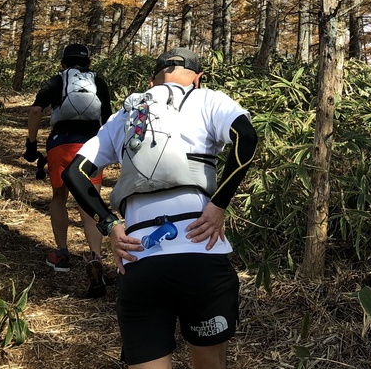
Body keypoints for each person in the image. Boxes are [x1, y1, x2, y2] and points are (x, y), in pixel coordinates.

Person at [62, 47, 258, 369]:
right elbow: (246, 137)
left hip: (139, 257)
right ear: (198, 78)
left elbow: (74, 172)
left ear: (152, 79)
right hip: (201, 250)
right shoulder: (207, 98)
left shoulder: (126, 114)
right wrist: (219, 204)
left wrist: (109, 224)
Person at [25, 42, 114, 297]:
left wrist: (31, 144)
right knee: (90, 204)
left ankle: (62, 254)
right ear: (88, 63)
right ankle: (95, 257)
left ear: (63, 63)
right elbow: (107, 119)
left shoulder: (56, 81)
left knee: (59, 197)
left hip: (60, 145)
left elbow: (35, 110)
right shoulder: (100, 82)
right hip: (91, 147)